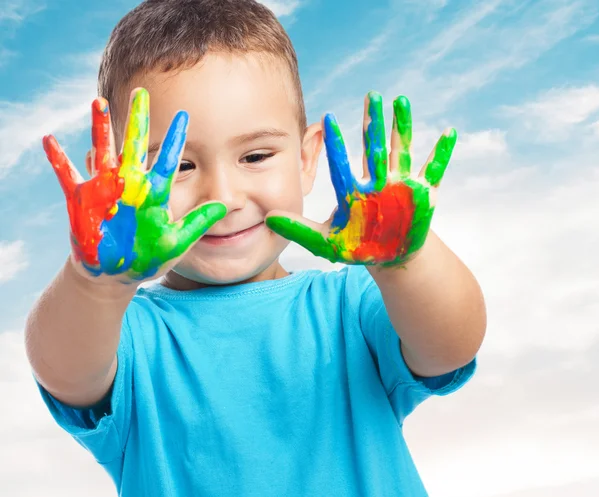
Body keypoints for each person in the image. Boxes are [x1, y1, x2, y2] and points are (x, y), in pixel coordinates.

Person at [25, 0, 487, 495]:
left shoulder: (351, 305)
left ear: (308, 159)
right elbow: (62, 371)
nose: (223, 198)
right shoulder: (127, 336)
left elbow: (451, 346)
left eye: (256, 155)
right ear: (117, 176)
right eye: (178, 166)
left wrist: (406, 263)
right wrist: (99, 283)